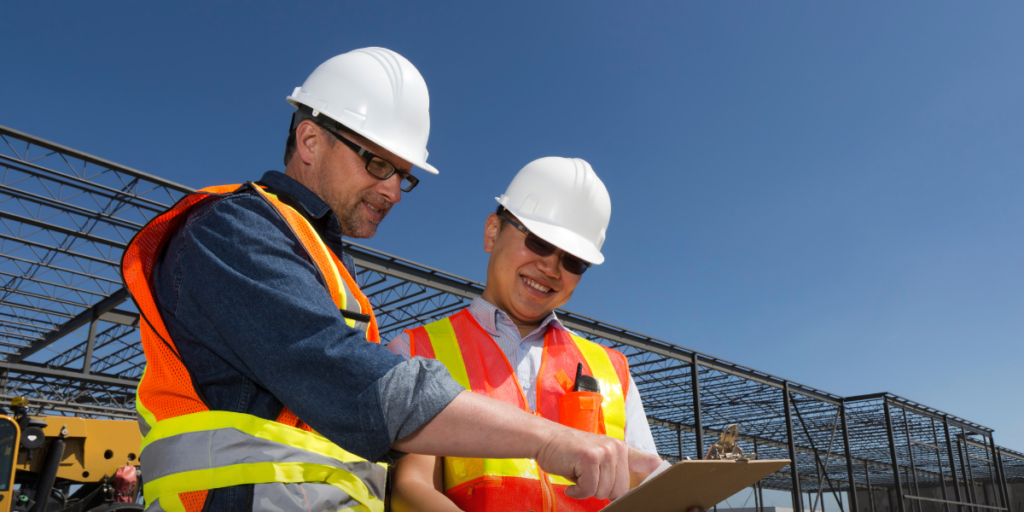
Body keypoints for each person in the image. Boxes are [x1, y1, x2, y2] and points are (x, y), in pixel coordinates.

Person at [122, 48, 661, 512]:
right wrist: (549, 441)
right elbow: (350, 380)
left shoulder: (325, 265)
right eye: (378, 164)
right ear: (309, 140)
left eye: (403, 175)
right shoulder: (234, 231)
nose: (394, 191)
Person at [387, 157, 662, 512]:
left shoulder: (613, 370)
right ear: (492, 232)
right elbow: (411, 485)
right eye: (539, 242)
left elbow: (647, 488)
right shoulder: (417, 350)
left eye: (573, 261)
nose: (551, 268)